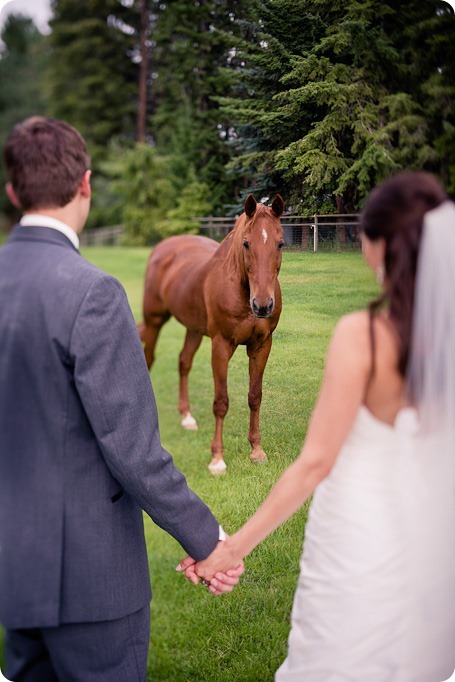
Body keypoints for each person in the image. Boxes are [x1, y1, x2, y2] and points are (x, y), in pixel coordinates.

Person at [182, 171, 455, 681]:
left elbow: (314, 466)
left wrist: (230, 548)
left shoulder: (366, 336)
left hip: (361, 538)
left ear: (375, 245)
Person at [0, 116, 242, 682]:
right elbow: (131, 447)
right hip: (92, 580)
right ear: (85, 184)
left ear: (13, 192)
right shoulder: (93, 293)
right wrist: (206, 540)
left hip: (13, 562)